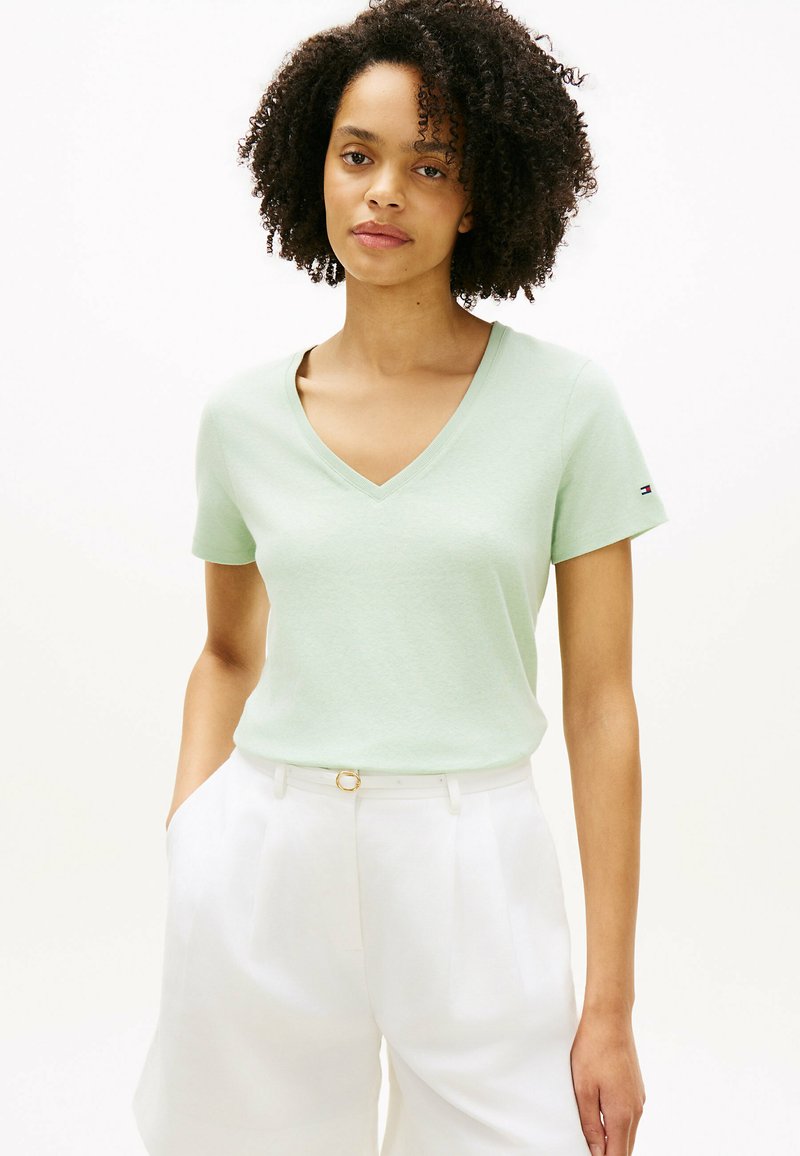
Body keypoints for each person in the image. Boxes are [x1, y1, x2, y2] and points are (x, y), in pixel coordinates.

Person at [131, 1, 668, 1154]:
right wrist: (192, 838)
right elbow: (225, 651)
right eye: (356, 156)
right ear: (314, 169)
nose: (383, 193)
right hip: (263, 861)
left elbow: (600, 704)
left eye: (428, 167)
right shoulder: (241, 417)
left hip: (474, 863)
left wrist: (609, 1007)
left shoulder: (568, 408)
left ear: (478, 196)